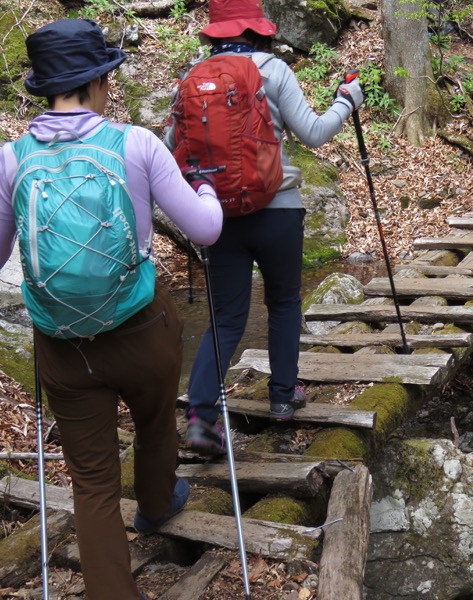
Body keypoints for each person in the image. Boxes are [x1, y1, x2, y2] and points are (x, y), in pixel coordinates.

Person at [0, 19, 223, 600]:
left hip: (63, 346)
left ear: (45, 88)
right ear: (100, 81)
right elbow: (205, 230)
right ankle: (155, 504)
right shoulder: (136, 144)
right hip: (140, 328)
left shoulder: (11, 160)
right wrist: (206, 192)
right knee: (153, 422)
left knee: (93, 484)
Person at [164, 0, 364, 455]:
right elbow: (312, 133)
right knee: (284, 302)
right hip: (278, 209)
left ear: (214, 31)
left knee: (227, 318)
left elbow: (169, 148)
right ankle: (282, 397)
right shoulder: (272, 69)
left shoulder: (192, 78)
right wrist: (345, 102)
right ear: (257, 29)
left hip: (219, 217)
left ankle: (200, 416)